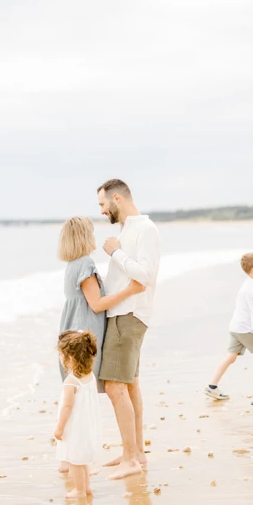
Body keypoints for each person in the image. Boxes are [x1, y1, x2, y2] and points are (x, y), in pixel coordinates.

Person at [57, 216, 144, 472]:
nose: (94, 237)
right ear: (84, 236)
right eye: (91, 232)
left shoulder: (72, 265)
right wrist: (130, 290)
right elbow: (96, 304)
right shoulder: (85, 264)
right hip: (84, 337)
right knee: (81, 397)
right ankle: (73, 457)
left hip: (71, 332)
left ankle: (65, 458)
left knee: (72, 394)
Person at [97, 179, 161, 480]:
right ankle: (134, 453)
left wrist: (115, 253)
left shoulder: (145, 229)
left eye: (102, 204)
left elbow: (145, 275)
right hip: (123, 314)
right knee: (130, 384)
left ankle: (131, 458)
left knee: (114, 386)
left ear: (117, 198)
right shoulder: (129, 230)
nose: (101, 211)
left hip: (129, 314)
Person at [204, 253, 253, 400]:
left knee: (231, 357)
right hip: (244, 328)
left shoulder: (250, 284)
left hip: (236, 327)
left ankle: (212, 386)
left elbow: (248, 311)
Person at [54, 330, 103, 498]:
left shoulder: (71, 382)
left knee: (75, 460)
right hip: (86, 425)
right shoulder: (89, 376)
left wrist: (59, 428)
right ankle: (86, 487)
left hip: (74, 427)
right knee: (82, 460)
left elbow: (67, 406)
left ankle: (80, 490)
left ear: (71, 358)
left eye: (61, 355)